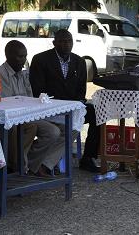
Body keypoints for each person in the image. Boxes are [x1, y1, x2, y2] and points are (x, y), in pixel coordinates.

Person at [0, 40, 62, 176]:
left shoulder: (23, 74)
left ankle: (30, 165)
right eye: (19, 56)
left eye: (25, 56)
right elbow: (6, 104)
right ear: (8, 56)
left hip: (26, 115)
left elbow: (30, 98)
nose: (23, 60)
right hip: (11, 119)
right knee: (29, 128)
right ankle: (20, 165)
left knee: (56, 131)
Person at [29, 29, 101, 173]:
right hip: (49, 108)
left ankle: (88, 158)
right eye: (62, 41)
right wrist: (59, 105)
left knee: (97, 113)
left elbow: (81, 91)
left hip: (71, 107)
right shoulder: (41, 60)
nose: (66, 45)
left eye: (69, 41)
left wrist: (74, 105)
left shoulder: (79, 62)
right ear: (54, 43)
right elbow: (38, 90)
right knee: (72, 127)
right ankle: (45, 164)